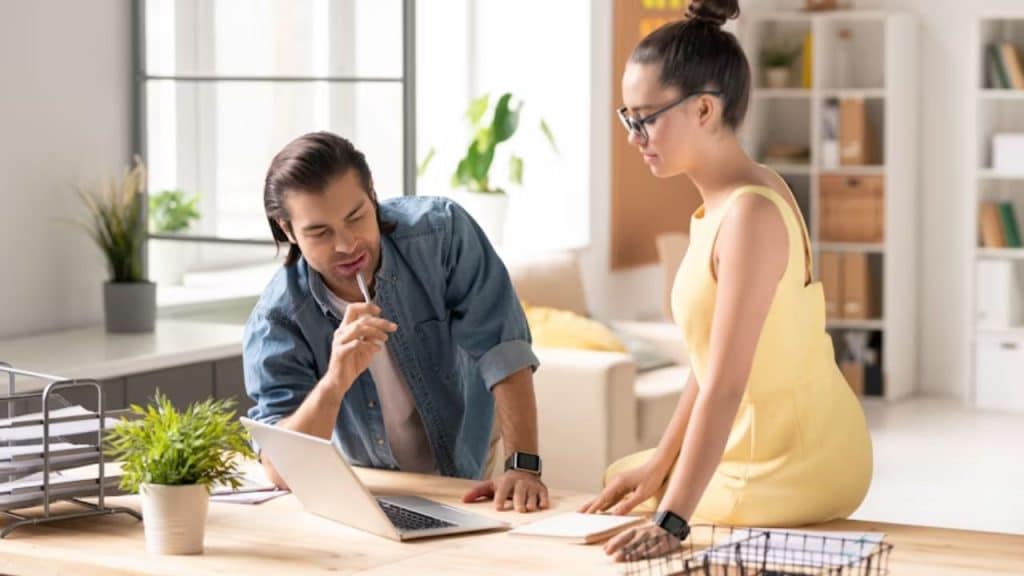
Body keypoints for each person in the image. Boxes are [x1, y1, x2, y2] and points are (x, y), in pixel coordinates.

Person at [581, 0, 872, 559]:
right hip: (763, 444)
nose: (634, 135)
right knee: (630, 475)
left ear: (705, 110)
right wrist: (659, 463)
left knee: (636, 507)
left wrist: (672, 520)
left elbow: (726, 385)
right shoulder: (731, 200)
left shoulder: (750, 216)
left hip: (796, 459)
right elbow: (708, 360)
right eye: (628, 116)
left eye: (646, 117)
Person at [244, 131, 549, 513]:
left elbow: (504, 352)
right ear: (287, 229)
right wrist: (336, 379)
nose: (346, 244)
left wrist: (522, 466)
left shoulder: (442, 234)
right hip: (369, 490)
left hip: (465, 467)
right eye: (319, 232)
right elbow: (280, 469)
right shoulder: (278, 319)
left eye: (356, 217)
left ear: (372, 194)